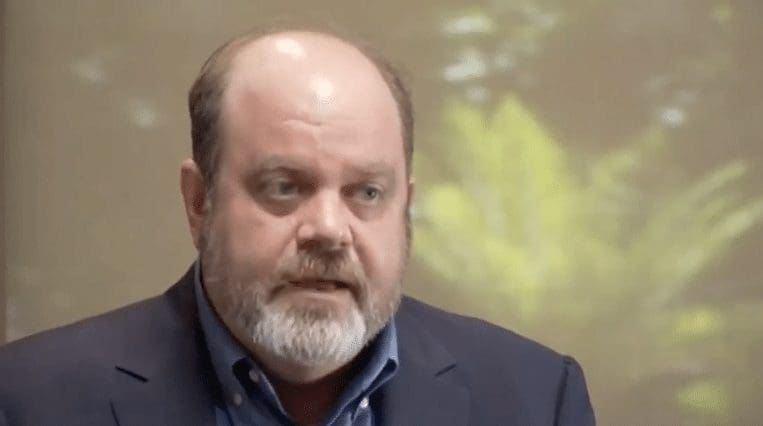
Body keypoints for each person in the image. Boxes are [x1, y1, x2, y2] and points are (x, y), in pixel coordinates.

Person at [0, 26, 595, 425]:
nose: (330, 230)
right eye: (284, 187)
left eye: (367, 192)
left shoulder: (537, 399)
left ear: (405, 208)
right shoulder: (27, 401)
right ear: (199, 202)